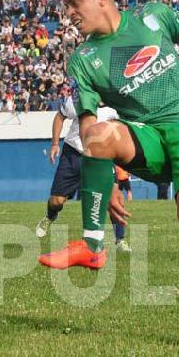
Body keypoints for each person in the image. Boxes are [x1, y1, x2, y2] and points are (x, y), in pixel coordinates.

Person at [37, 0, 179, 352]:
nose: (69, 14)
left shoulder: (152, 16)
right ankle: (93, 245)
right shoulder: (84, 59)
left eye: (74, 4)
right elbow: (88, 122)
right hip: (147, 134)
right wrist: (101, 181)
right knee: (98, 134)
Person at [34, 96, 129, 252]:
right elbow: (59, 117)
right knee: (56, 201)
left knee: (113, 197)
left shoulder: (115, 105)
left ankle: (120, 240)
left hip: (102, 156)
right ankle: (50, 216)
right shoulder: (79, 99)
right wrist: (55, 144)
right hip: (73, 154)